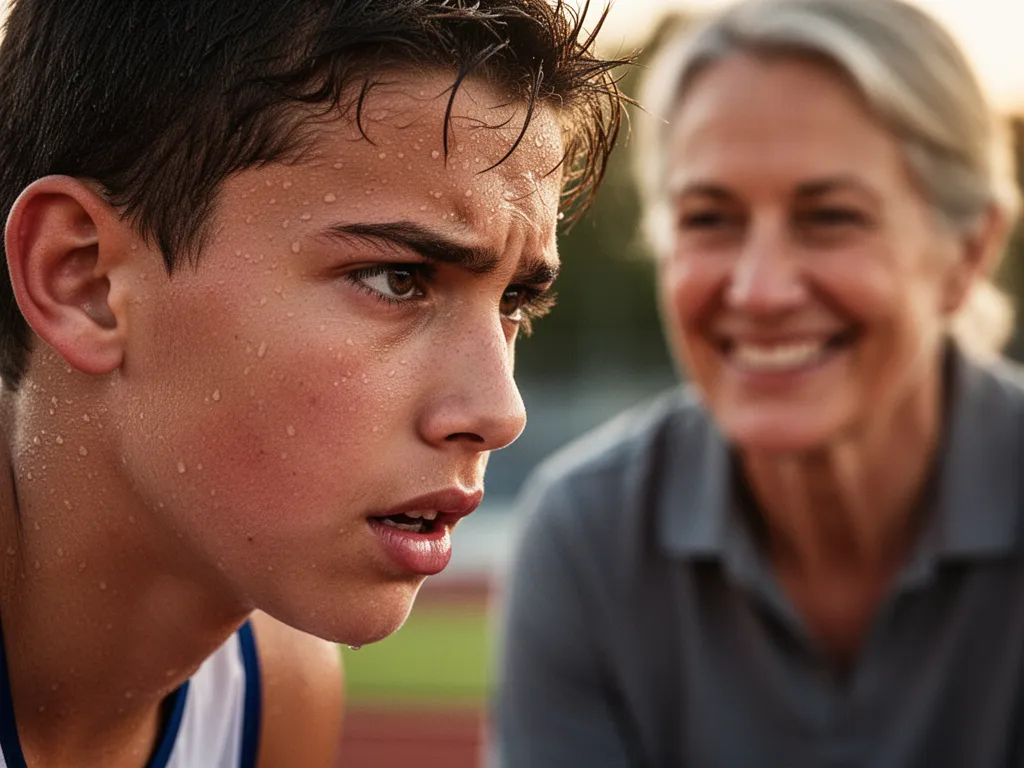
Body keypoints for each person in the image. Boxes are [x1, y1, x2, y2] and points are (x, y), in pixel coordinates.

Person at [0, 1, 625, 766]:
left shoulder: (276, 693)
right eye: (398, 279)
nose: (500, 411)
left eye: (514, 302)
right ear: (84, 280)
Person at [496, 0, 1024, 765]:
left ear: (968, 253)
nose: (761, 289)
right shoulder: (589, 536)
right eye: (710, 218)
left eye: (831, 217)